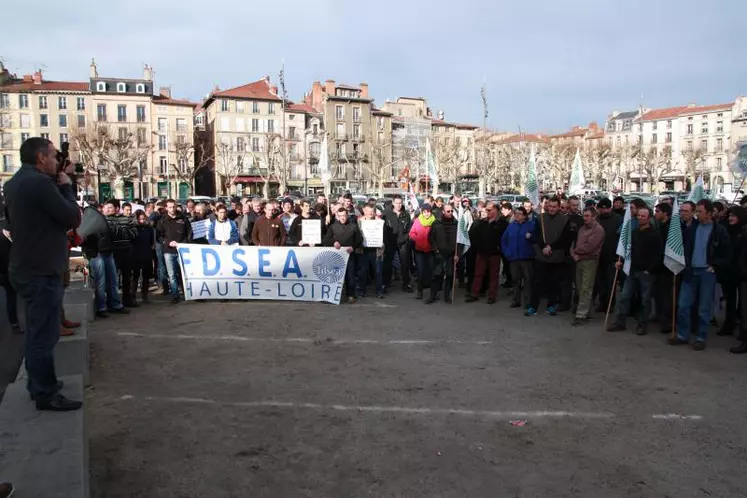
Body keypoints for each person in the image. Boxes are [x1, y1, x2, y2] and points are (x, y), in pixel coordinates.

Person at [4, 137, 82, 411]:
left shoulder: (13, 183)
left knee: (39, 331)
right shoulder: (38, 183)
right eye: (52, 156)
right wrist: (67, 187)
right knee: (43, 336)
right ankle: (45, 393)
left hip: (27, 266)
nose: (55, 160)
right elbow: (71, 216)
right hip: (40, 269)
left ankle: (38, 384)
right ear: (40, 158)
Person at [670, 199, 730, 350]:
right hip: (691, 271)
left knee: (704, 308)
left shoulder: (719, 230)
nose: (697, 214)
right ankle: (682, 335)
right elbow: (685, 248)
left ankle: (700, 337)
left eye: (700, 212)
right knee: (683, 305)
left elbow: (726, 252)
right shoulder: (692, 229)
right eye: (696, 211)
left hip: (707, 273)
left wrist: (715, 265)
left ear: (709, 213)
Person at [607, 207, 663, 335]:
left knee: (645, 300)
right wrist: (620, 261)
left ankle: (642, 324)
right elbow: (628, 249)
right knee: (625, 296)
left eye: (643, 216)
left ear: (649, 218)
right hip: (631, 270)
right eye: (638, 215)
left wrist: (649, 270)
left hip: (646, 272)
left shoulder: (654, 234)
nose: (640, 218)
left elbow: (658, 255)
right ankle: (620, 322)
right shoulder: (634, 232)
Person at [527, 197, 572, 316]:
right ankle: (533, 306)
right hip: (542, 256)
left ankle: (551, 306)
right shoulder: (540, 218)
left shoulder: (565, 220)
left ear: (558, 207)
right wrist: (543, 247)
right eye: (550, 206)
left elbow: (565, 238)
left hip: (556, 256)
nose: (551, 209)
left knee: (554, 282)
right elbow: (537, 235)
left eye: (554, 206)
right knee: (537, 282)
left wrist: (551, 247)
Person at [466, 203, 508, 304]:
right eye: (487, 210)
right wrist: (477, 248)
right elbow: (474, 236)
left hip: (494, 253)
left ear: (496, 211)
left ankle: (492, 296)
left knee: (494, 275)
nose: (488, 212)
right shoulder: (482, 223)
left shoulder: (502, 223)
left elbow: (504, 238)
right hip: (482, 252)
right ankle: (474, 293)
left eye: (490, 210)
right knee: (478, 273)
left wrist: (499, 248)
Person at [570, 206, 605, 325]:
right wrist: (573, 253)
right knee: (580, 288)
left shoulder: (598, 230)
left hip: (590, 261)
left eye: (587, 216)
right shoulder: (582, 229)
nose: (585, 218)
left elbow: (589, 247)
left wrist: (576, 251)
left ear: (594, 217)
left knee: (586, 288)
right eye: (584, 216)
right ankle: (588, 312)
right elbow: (575, 243)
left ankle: (581, 315)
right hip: (579, 260)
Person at [156, 199, 192, 304]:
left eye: (174, 206)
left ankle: (186, 293)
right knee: (171, 275)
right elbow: (159, 236)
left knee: (183, 273)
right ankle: (175, 295)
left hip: (182, 250)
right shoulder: (162, 220)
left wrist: (183, 243)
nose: (172, 209)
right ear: (166, 208)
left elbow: (189, 233)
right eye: (170, 207)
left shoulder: (183, 218)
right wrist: (167, 242)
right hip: (168, 251)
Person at [324, 207, 363, 303]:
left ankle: (351, 295)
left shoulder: (353, 226)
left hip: (349, 255)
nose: (342, 218)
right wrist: (333, 243)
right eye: (340, 216)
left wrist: (353, 247)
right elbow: (326, 240)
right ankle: (333, 295)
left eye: (344, 216)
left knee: (350, 275)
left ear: (347, 216)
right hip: (336, 256)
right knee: (335, 276)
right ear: (337, 216)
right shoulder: (333, 226)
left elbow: (359, 239)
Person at [718, 206, 746, 337]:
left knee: (743, 302)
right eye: (729, 215)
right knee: (730, 299)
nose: (731, 218)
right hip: (728, 271)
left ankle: (741, 326)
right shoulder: (726, 230)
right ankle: (728, 324)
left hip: (741, 271)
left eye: (733, 216)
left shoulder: (743, 231)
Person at [103, 200, 137, 307]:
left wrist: (119, 231)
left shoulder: (127, 219)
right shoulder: (104, 221)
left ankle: (127, 299)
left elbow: (134, 234)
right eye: (106, 208)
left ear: (117, 209)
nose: (107, 210)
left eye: (110, 208)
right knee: (112, 278)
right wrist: (121, 231)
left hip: (126, 251)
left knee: (127, 277)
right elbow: (106, 236)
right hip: (112, 252)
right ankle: (112, 301)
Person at [501, 207, 535, 310]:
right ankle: (516, 300)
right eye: (515, 213)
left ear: (525, 215)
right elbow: (504, 240)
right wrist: (507, 252)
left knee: (528, 280)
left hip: (526, 258)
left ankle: (528, 301)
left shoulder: (531, 225)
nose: (517, 215)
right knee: (516, 280)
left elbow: (536, 239)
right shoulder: (511, 226)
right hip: (514, 258)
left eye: (519, 213)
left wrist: (531, 237)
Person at [594, 198, 622, 313]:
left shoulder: (618, 219)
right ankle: (602, 302)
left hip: (612, 256)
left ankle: (610, 304)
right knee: (600, 282)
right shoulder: (596, 219)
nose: (605, 210)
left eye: (607, 208)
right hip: (598, 256)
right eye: (602, 208)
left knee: (610, 282)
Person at [427, 202, 458, 303]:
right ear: (443, 212)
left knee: (449, 275)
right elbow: (431, 237)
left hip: (451, 254)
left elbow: (460, 241)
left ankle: (447, 296)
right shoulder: (437, 223)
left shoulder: (456, 223)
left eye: (452, 211)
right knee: (436, 275)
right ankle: (432, 296)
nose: (450, 213)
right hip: (439, 254)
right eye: (448, 211)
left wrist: (458, 254)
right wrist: (435, 249)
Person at [383, 195, 413, 293]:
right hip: (390, 242)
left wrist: (405, 238)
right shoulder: (387, 213)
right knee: (387, 264)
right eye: (397, 203)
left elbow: (409, 228)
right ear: (393, 203)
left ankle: (406, 284)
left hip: (403, 243)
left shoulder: (406, 214)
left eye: (400, 203)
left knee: (405, 264)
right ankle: (385, 284)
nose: (399, 205)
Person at [653, 202, 675, 333]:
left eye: (658, 211)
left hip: (667, 266)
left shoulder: (669, 228)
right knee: (659, 293)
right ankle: (661, 316)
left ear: (665, 213)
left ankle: (668, 320)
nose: (655, 214)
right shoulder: (660, 226)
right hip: (659, 265)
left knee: (667, 294)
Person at [356, 203, 385, 298]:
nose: (370, 213)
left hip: (376, 250)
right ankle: (361, 291)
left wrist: (382, 243)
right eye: (368, 211)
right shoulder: (359, 221)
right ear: (364, 211)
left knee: (378, 271)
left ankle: (379, 291)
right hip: (363, 250)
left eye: (372, 211)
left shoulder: (379, 222)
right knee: (363, 271)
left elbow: (383, 236)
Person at [409, 203, 437, 300]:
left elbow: (438, 234)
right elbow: (412, 233)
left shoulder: (435, 221)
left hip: (430, 250)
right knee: (420, 271)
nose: (426, 214)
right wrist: (418, 239)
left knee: (432, 272)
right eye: (424, 212)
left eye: (428, 212)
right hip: (419, 250)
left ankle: (433, 293)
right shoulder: (417, 221)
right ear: (422, 212)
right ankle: (419, 291)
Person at [0, 222, 20, 333]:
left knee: (11, 296)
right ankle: (14, 323)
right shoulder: (4, 240)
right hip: (5, 273)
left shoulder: (5, 237)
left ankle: (14, 323)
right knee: (11, 297)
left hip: (5, 272)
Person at [131, 210, 155, 303]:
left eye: (143, 219)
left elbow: (151, 242)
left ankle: (145, 295)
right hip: (135, 254)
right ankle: (132, 295)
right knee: (135, 276)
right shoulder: (133, 228)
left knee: (146, 276)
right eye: (140, 219)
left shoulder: (149, 228)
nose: (142, 221)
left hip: (146, 254)